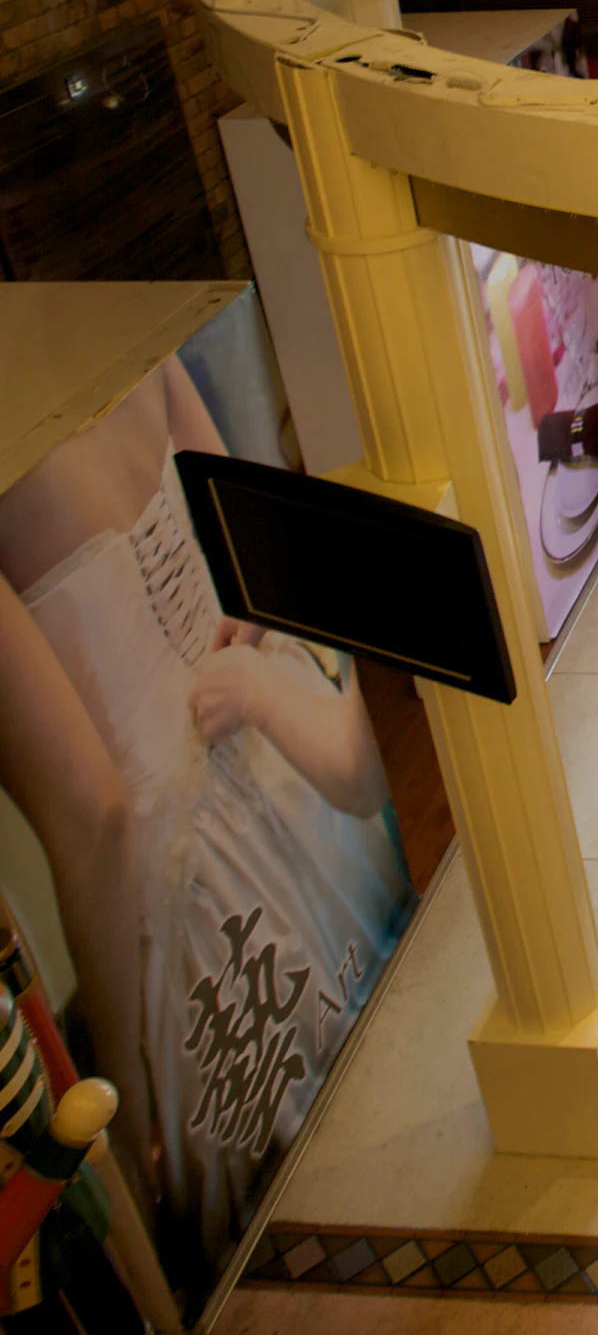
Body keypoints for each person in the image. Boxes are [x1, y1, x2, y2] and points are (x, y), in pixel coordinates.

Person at [0, 352, 409, 1295]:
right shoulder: (124, 332)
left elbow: (95, 816)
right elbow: (249, 544)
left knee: (294, 1247)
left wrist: (121, 1097)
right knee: (392, 1079)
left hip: (185, 899)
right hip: (281, 761)